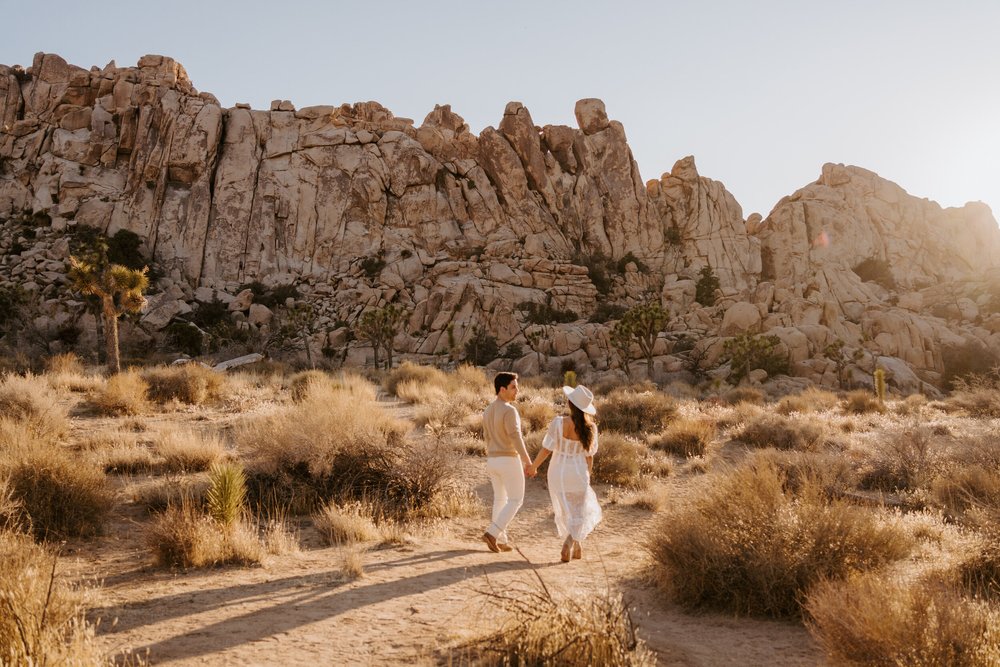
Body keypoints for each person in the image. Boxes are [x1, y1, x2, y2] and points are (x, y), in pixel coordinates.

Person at [527, 384, 602, 562]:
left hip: (557, 473)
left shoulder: (559, 423)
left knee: (568, 511)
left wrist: (534, 466)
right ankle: (570, 543)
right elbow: (589, 457)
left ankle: (576, 546)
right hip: (578, 472)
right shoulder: (591, 428)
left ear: (569, 403)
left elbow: (546, 450)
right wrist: (587, 476)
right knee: (580, 511)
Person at [481, 372, 535, 553]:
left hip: (493, 460)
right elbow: (516, 438)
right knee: (516, 500)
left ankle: (501, 539)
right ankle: (492, 533)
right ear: (502, 389)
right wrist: (528, 462)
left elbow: (486, 438)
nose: (517, 391)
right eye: (513, 387)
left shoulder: (488, 410)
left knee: (500, 499)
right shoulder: (509, 410)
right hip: (508, 459)